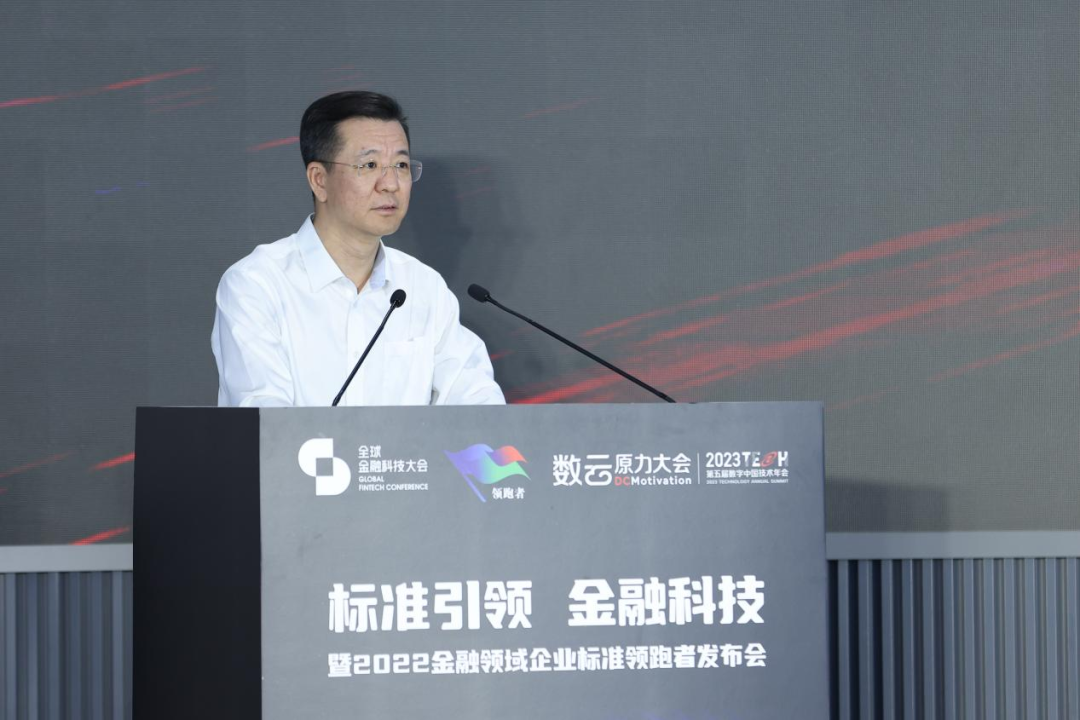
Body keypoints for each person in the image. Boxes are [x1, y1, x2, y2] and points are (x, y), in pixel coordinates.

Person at [211, 91, 505, 407]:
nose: (390, 183)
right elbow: (265, 419)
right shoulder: (257, 285)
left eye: (401, 165)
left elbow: (481, 407)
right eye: (370, 164)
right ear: (319, 180)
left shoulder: (424, 288)